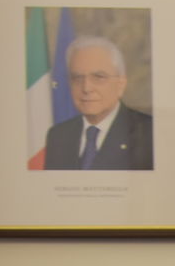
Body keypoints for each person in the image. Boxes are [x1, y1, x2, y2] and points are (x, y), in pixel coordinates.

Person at [42, 36, 154, 171]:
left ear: (120, 85)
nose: (86, 88)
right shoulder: (58, 136)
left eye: (98, 77)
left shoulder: (149, 134)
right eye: (77, 78)